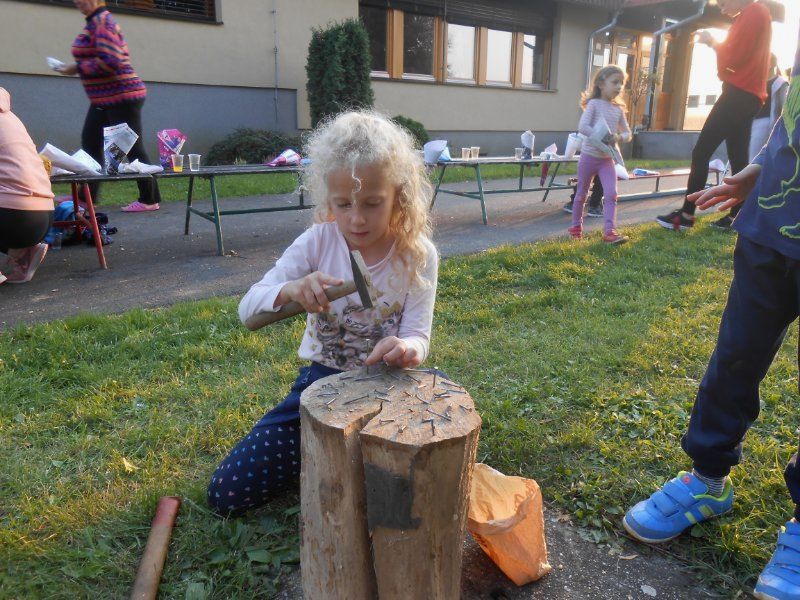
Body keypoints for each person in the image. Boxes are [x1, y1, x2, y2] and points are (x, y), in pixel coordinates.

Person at [623, 29, 800, 599]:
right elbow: (791, 114)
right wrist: (762, 166)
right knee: (736, 356)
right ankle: (707, 479)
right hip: (771, 226)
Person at [207, 111, 439, 515]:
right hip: (323, 385)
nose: (356, 218)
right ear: (328, 198)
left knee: (405, 492)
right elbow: (248, 309)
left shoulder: (417, 255)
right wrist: (291, 289)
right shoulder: (317, 242)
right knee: (226, 494)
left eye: (372, 203)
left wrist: (407, 349)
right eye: (343, 204)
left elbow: (418, 334)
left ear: (398, 195)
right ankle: (323, 455)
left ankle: (348, 463)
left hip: (389, 385)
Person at [655, 0, 771, 232]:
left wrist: (712, 42)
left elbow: (733, 58)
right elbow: (736, 58)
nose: (722, 9)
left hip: (738, 94)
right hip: (748, 96)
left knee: (702, 151)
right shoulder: (757, 12)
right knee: (738, 158)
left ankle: (686, 215)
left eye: (723, 3)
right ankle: (737, 215)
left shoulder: (754, 12)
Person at [56, 0, 161, 213]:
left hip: (122, 95)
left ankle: (149, 199)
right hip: (104, 98)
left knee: (131, 146)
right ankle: (85, 198)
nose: (77, 1)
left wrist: (76, 68)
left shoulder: (103, 22)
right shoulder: (94, 22)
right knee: (91, 142)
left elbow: (112, 60)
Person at [713, 54, 789, 231]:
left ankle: (743, 213)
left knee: (752, 168)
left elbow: (785, 112)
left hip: (766, 129)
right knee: (743, 167)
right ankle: (739, 212)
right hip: (750, 125)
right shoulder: (755, 82)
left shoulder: (779, 83)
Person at [568, 65, 632, 244]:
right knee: (581, 194)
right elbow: (583, 127)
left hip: (606, 160)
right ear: (601, 84)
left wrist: (619, 137)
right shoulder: (594, 104)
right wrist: (601, 136)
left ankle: (610, 232)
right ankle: (576, 228)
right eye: (615, 82)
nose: (619, 86)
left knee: (611, 193)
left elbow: (627, 133)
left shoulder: (618, 109)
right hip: (588, 157)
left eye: (622, 83)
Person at [0, 88, 53, 284]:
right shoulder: (9, 116)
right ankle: (23, 252)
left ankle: (19, 248)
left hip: (13, 215)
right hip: (44, 213)